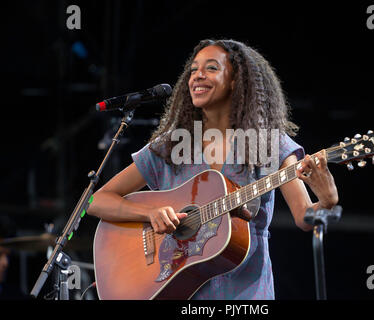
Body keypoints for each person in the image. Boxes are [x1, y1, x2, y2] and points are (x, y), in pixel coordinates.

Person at [87, 39, 338, 299]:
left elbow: (305, 218)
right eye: (193, 70)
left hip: (246, 294)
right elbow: (95, 201)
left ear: (235, 81)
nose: (197, 76)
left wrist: (327, 200)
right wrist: (149, 212)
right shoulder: (171, 145)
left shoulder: (267, 142)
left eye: (211, 68)